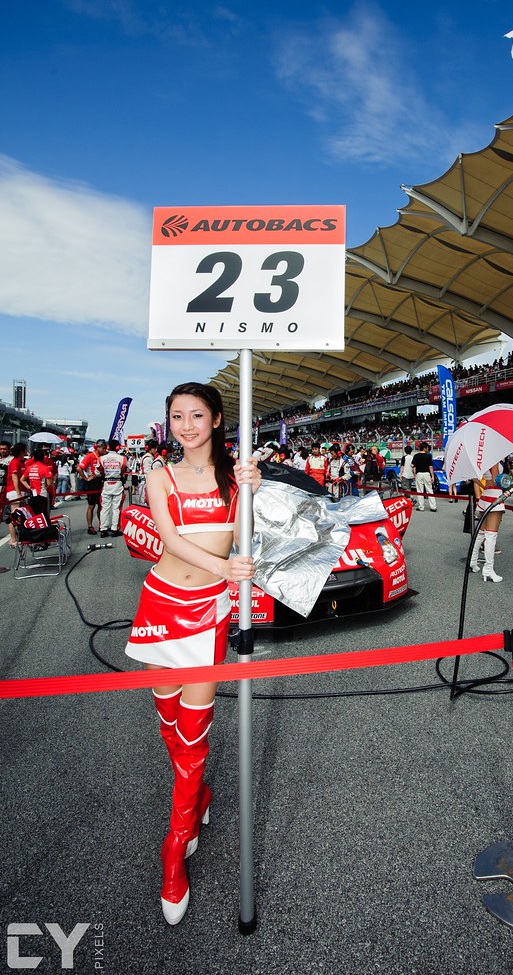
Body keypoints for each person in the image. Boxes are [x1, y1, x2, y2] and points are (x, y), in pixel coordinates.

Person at [125, 381, 261, 926]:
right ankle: (197, 798)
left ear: (217, 419)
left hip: (207, 612)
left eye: (196, 416)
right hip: (160, 605)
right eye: (177, 416)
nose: (186, 426)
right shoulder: (159, 476)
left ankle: (173, 848)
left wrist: (257, 486)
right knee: (169, 721)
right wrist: (224, 567)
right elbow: (167, 538)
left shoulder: (237, 479)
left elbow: (264, 531)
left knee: (194, 730)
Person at [470, 461, 505, 582]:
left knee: (481, 533)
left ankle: (472, 561)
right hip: (495, 495)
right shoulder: (494, 458)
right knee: (491, 535)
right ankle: (488, 569)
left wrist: (483, 486)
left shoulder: (481, 457)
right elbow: (496, 480)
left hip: (486, 495)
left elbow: (473, 476)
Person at [99, 439, 127, 537]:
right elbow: (123, 470)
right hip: (118, 483)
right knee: (116, 508)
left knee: (105, 507)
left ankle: (103, 529)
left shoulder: (101, 458)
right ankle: (115, 529)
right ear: (118, 447)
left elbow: (99, 471)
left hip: (106, 483)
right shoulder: (122, 459)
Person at [78, 440, 105, 534]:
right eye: (103, 448)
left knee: (101, 505)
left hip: (101, 481)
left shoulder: (104, 456)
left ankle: (102, 525)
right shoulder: (90, 456)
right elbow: (79, 468)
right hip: (92, 482)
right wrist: (86, 478)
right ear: (97, 447)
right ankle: (90, 526)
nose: (104, 450)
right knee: (91, 505)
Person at [412, 442, 437, 512]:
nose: (428, 449)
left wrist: (414, 474)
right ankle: (433, 507)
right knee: (430, 490)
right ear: (424, 448)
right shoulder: (428, 456)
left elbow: (412, 465)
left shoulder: (416, 456)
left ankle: (421, 507)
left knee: (420, 491)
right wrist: (432, 476)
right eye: (427, 447)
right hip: (427, 474)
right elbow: (430, 467)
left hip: (419, 474)